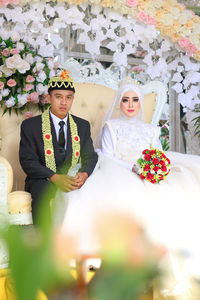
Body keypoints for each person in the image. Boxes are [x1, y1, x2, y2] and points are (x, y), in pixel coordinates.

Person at [59, 77, 200, 280]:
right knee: (124, 195)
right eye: (126, 100)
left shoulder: (151, 129)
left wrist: (154, 169)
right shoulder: (111, 126)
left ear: (140, 102)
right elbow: (107, 155)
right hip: (118, 169)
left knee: (181, 190)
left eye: (135, 100)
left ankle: (172, 256)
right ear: (119, 103)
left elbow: (159, 154)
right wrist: (135, 167)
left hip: (147, 172)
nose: (130, 104)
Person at [19, 70, 98, 223]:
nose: (64, 102)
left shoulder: (82, 125)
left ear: (73, 99)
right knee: (42, 194)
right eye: (58, 97)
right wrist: (54, 177)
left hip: (71, 175)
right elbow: (28, 161)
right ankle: (45, 241)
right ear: (48, 98)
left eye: (68, 98)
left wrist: (84, 174)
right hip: (42, 178)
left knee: (90, 192)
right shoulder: (30, 126)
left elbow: (91, 156)